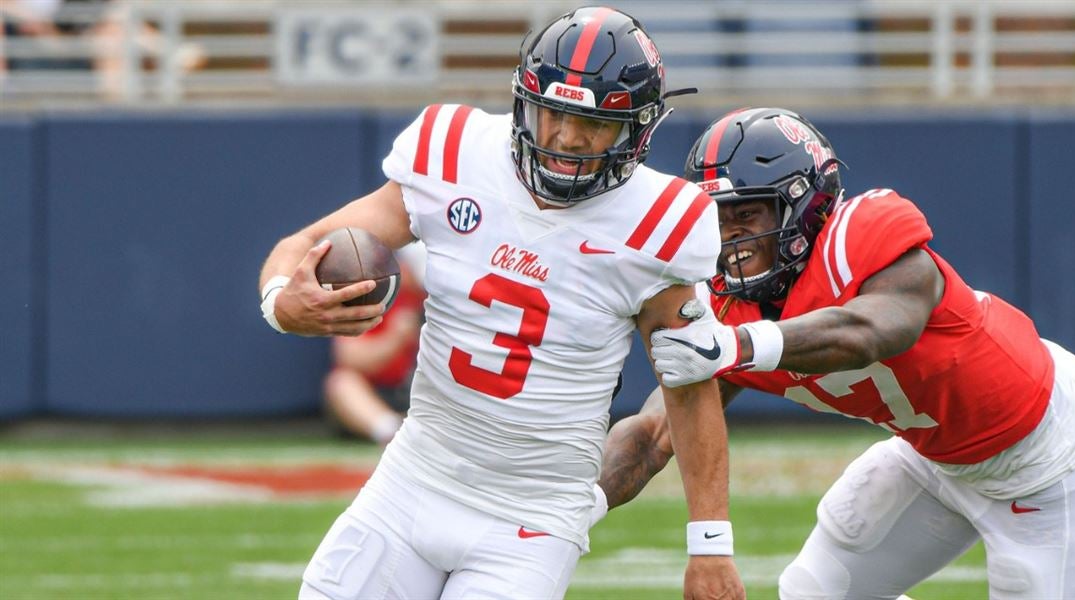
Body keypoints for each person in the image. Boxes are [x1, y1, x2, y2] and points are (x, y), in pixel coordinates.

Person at [257, 7, 743, 600]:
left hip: (532, 514)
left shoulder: (662, 220)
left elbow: (690, 385)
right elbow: (304, 246)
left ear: (638, 130)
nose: (567, 138)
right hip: (412, 478)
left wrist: (711, 546)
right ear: (523, 100)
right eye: (554, 114)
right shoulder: (456, 152)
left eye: (594, 124)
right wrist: (283, 301)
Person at [596, 108, 1075, 599]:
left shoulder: (860, 237)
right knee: (815, 590)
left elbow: (875, 330)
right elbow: (651, 436)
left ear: (807, 204)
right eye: (718, 218)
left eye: (749, 215)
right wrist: (571, 509)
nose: (730, 238)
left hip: (1047, 452)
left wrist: (738, 346)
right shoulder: (727, 306)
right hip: (932, 457)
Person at [322, 244, 426, 445]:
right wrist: (394, 340)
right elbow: (348, 357)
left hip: (431, 398)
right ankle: (392, 433)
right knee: (342, 383)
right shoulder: (377, 295)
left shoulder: (450, 301)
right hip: (383, 393)